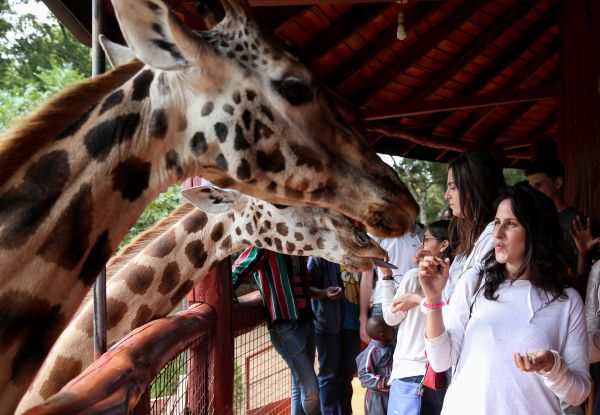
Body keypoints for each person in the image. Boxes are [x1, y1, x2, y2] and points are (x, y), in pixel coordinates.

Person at [419, 185, 590, 414]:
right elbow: (440, 362)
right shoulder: (475, 281)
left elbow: (579, 393)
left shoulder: (567, 301)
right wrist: (433, 300)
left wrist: (553, 366)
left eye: (511, 224)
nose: (497, 233)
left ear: (536, 231)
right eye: (497, 222)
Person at [232, 247, 340, 415]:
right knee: (312, 391)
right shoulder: (266, 243)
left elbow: (303, 287)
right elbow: (237, 268)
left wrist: (324, 293)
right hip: (285, 326)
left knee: (300, 386)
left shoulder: (297, 247)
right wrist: (227, 295)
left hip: (306, 321)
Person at [382, 220, 453, 415]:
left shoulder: (414, 276)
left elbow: (390, 317)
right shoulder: (457, 278)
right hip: (439, 375)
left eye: (426, 239)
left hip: (409, 372)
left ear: (444, 245)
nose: (421, 244)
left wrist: (387, 276)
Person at [443, 151, 505, 300]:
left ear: (474, 188)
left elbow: (464, 305)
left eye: (453, 187)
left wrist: (423, 301)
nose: (446, 195)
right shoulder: (472, 234)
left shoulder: (494, 237)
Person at [307, 257, 361, 415]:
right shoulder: (319, 257)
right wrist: (324, 293)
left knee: (347, 375)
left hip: (354, 324)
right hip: (328, 326)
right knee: (328, 377)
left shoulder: (356, 255)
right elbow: (307, 287)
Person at [526, 158, 587, 279]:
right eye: (531, 187)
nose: (533, 192)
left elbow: (585, 275)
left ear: (557, 183)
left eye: (539, 185)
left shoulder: (575, 221)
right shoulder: (535, 219)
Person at [359, 229, 420, 344]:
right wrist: (363, 318)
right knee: (381, 358)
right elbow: (367, 276)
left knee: (407, 358)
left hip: (412, 305)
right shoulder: (375, 235)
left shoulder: (421, 234)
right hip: (382, 305)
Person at [356, 316, 395, 415]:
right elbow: (363, 376)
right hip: (376, 397)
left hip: (391, 394)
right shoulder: (372, 352)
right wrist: (385, 381)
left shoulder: (390, 347)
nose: (394, 330)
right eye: (391, 329)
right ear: (382, 335)